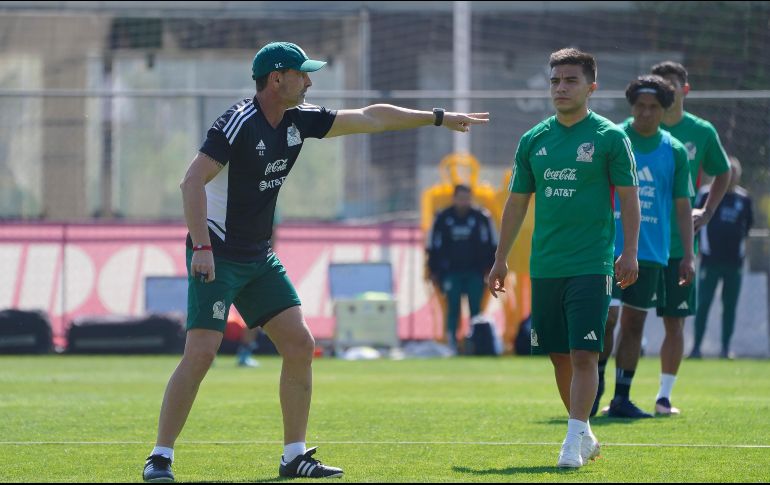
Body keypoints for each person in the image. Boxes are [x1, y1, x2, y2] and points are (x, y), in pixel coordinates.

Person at [141, 41, 488, 483]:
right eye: (302, 74)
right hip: (219, 251)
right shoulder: (237, 122)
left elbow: (371, 118)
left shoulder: (298, 119)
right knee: (202, 353)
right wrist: (203, 248)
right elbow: (191, 181)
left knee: (300, 345)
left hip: (258, 256)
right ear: (276, 79)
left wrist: (437, 118)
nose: (309, 82)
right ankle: (160, 458)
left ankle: (294, 456)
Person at [488, 47, 640, 468]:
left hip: (592, 264)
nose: (560, 88)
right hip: (546, 265)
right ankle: (585, 432)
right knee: (558, 355)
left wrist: (629, 251)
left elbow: (629, 199)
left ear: (591, 87)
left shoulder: (610, 137)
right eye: (555, 80)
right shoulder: (534, 140)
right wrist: (500, 258)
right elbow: (516, 204)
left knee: (584, 354)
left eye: (570, 80)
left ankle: (570, 443)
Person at [592, 75, 695, 419]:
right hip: (607, 248)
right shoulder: (614, 138)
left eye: (653, 107)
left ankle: (622, 397)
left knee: (634, 324)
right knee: (607, 319)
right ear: (631, 107)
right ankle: (595, 387)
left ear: (665, 110)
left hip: (650, 252)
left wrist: (688, 255)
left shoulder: (675, 151)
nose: (645, 113)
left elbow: (682, 207)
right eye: (640, 106)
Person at [648, 61, 731, 415]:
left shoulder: (700, 130)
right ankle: (614, 392)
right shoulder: (636, 129)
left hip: (680, 242)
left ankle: (664, 395)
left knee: (674, 320)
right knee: (619, 318)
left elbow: (723, 173)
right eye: (661, 86)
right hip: (639, 240)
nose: (667, 91)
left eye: (673, 85)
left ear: (685, 89)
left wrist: (707, 212)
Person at [690, 156, 753, 359]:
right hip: (710, 260)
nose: (731, 176)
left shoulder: (744, 199)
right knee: (704, 304)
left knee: (730, 307)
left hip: (734, 262)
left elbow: (747, 229)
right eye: (728, 171)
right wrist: (694, 251)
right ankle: (696, 347)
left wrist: (745, 254)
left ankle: (726, 348)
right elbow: (694, 224)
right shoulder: (706, 195)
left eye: (735, 173)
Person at [427, 184, 496, 350]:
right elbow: (433, 246)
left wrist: (489, 268)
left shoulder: (481, 217)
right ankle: (452, 342)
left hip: (475, 272)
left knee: (475, 310)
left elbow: (491, 245)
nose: (463, 202)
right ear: (454, 198)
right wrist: (434, 269)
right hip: (451, 272)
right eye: (460, 198)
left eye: (466, 198)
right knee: (453, 307)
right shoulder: (443, 218)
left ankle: (476, 342)